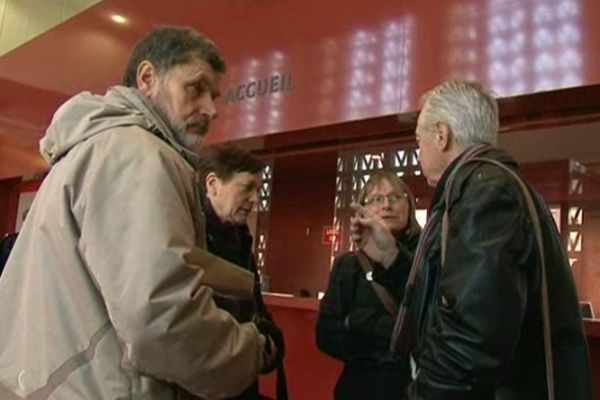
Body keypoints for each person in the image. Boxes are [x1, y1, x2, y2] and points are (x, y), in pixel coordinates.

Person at [0, 26, 283, 400]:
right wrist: (252, 350)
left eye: (214, 96)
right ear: (147, 78)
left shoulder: (92, 148)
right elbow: (161, 319)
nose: (211, 109)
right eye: (195, 88)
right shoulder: (140, 155)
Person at [353, 80, 592, 399]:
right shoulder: (485, 185)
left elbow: (469, 340)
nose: (419, 151)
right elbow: (450, 299)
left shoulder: (485, 192)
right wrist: (392, 258)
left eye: (419, 141)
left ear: (441, 134)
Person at [316, 171, 421, 400]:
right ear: (362, 210)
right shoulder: (348, 265)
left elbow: (429, 319)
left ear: (409, 206)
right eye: (376, 199)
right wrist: (391, 335)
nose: (386, 205)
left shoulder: (427, 256)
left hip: (414, 388)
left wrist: (360, 323)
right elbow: (325, 334)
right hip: (359, 386)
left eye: (395, 197)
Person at [197, 145, 287, 400]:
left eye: (258, 189)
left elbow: (256, 308)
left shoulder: (240, 240)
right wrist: (255, 346)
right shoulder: (188, 237)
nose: (256, 199)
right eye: (247, 187)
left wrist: (270, 344)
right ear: (213, 184)